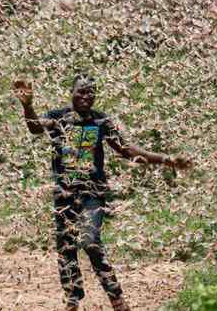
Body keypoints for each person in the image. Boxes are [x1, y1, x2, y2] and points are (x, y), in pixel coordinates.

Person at [13, 74, 192, 311]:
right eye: (81, 91)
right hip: (64, 192)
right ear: (71, 93)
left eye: (90, 92)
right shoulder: (58, 117)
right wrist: (28, 106)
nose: (86, 96)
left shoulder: (101, 121)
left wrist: (166, 160)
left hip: (93, 193)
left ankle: (116, 299)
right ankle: (72, 300)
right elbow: (35, 128)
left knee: (90, 241)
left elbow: (126, 150)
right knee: (66, 246)